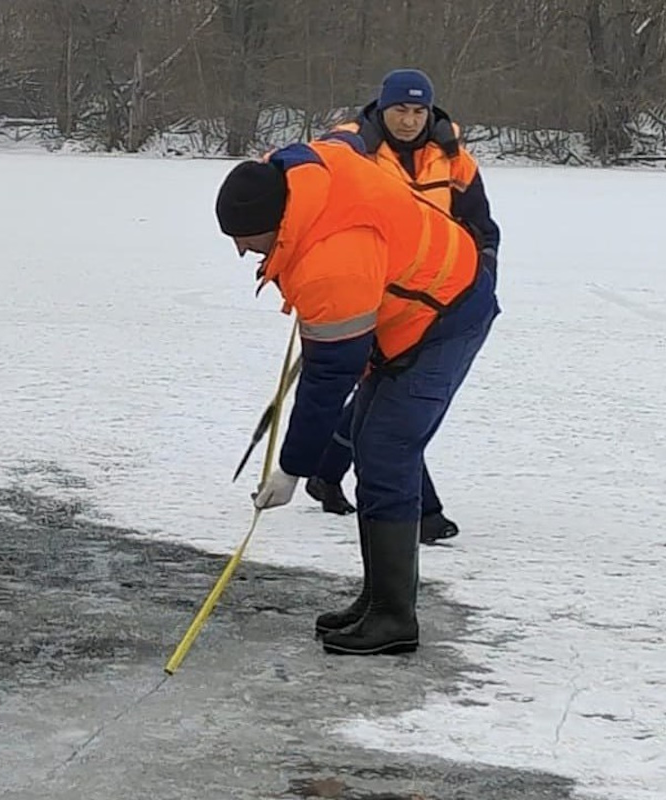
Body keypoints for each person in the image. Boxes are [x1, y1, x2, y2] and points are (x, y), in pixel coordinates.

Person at [214, 134, 499, 656]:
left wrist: (292, 469)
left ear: (277, 222)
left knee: (386, 451)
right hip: (412, 299)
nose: (239, 251)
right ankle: (378, 599)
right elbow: (344, 138)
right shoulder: (301, 170)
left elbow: (330, 377)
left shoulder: (334, 261)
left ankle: (394, 619)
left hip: (446, 316)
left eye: (246, 238)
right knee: (371, 445)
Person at [304, 68, 501, 547]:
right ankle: (421, 512)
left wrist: (484, 272)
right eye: (400, 110)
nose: (410, 120)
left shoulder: (454, 160)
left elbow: (482, 227)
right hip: (373, 293)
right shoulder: (358, 152)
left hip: (440, 297)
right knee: (393, 407)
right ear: (381, 108)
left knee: (389, 402)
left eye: (418, 111)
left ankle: (328, 471)